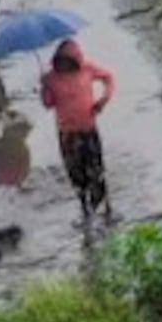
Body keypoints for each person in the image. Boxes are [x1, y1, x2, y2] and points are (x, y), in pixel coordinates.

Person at [42, 40, 115, 220]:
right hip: (68, 135)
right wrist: (45, 88)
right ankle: (84, 208)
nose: (64, 65)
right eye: (61, 62)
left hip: (88, 129)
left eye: (68, 61)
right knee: (76, 173)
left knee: (96, 169)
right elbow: (48, 104)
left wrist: (103, 99)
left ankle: (106, 207)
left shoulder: (87, 69)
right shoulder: (51, 78)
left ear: (75, 60)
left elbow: (109, 78)